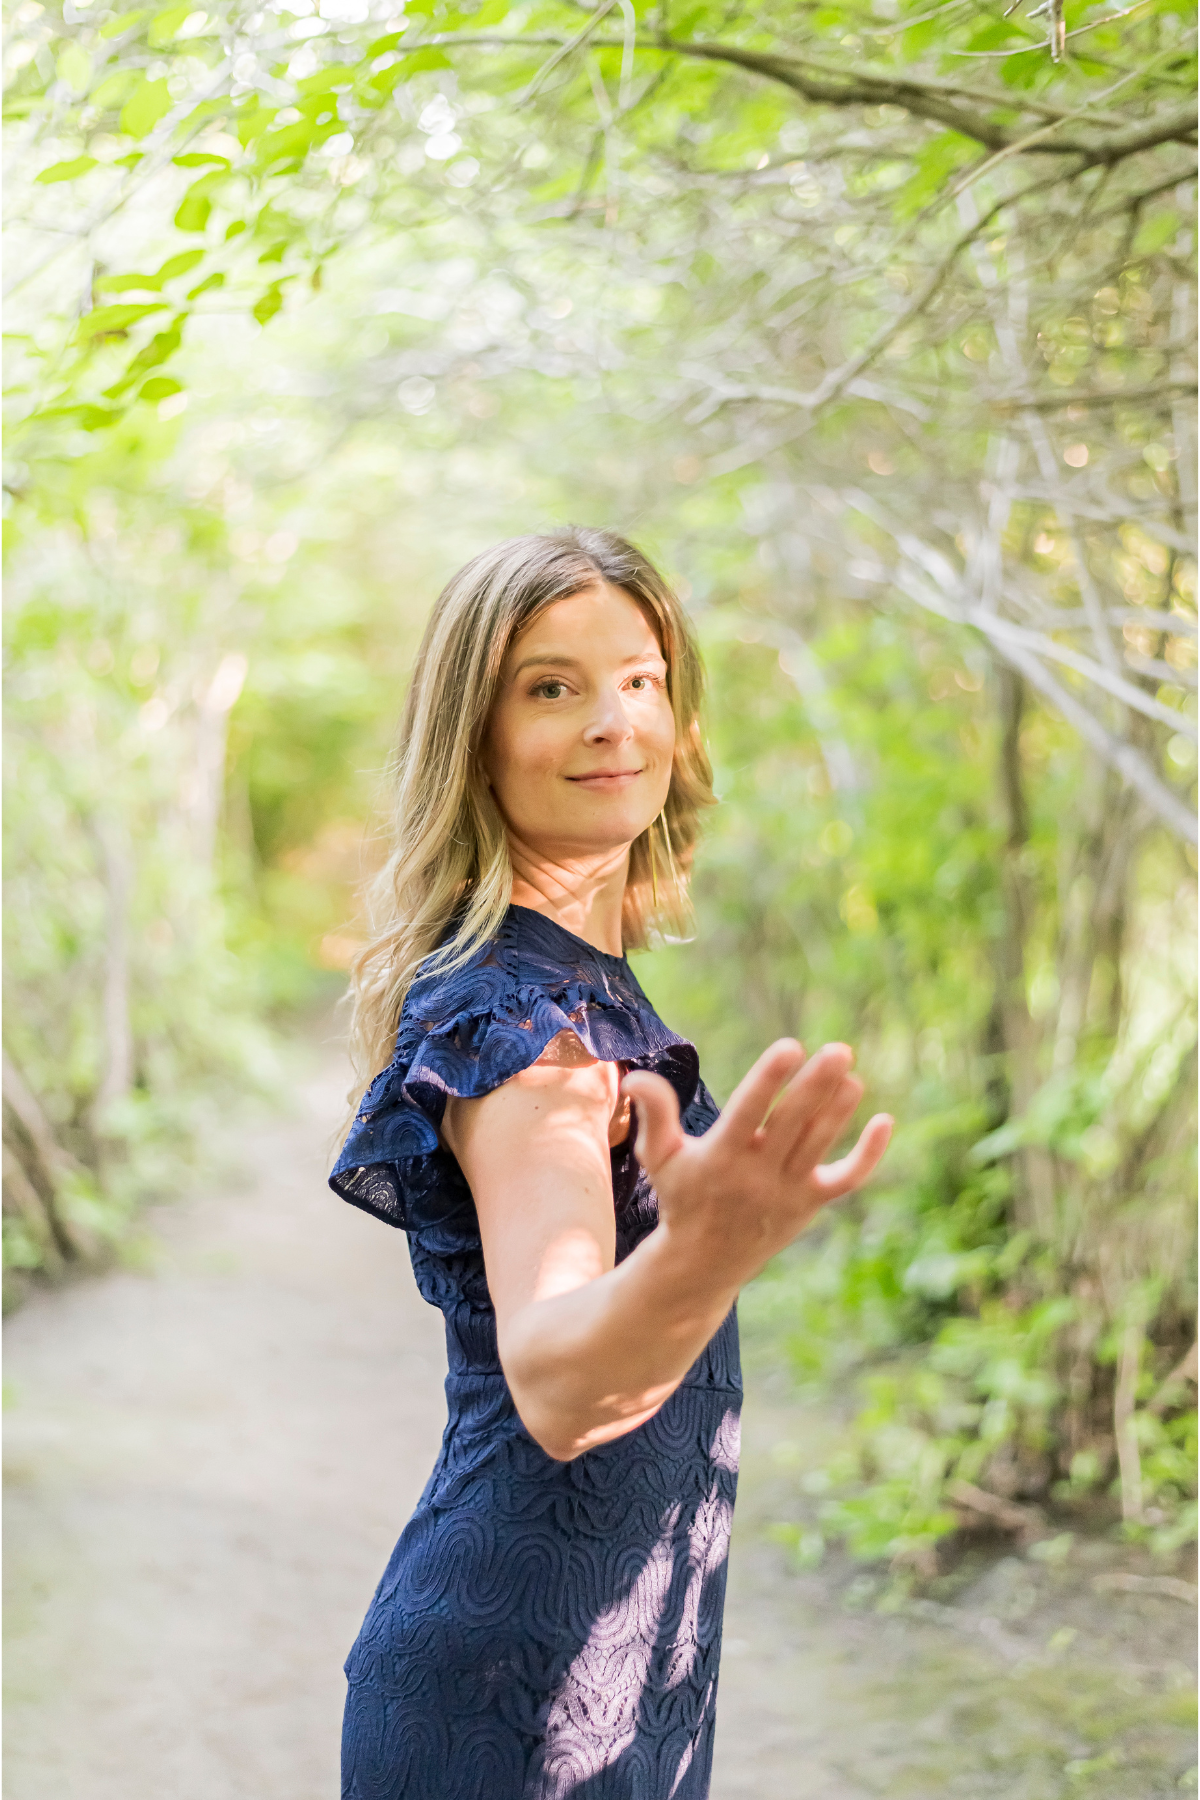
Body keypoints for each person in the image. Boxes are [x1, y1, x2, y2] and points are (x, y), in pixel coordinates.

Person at [331, 528, 892, 1800]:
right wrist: (708, 1250)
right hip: (516, 1711)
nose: (611, 721)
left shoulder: (584, 988)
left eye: (639, 679)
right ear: (473, 737)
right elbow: (557, 1379)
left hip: (603, 1675)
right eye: (552, 686)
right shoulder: (529, 1025)